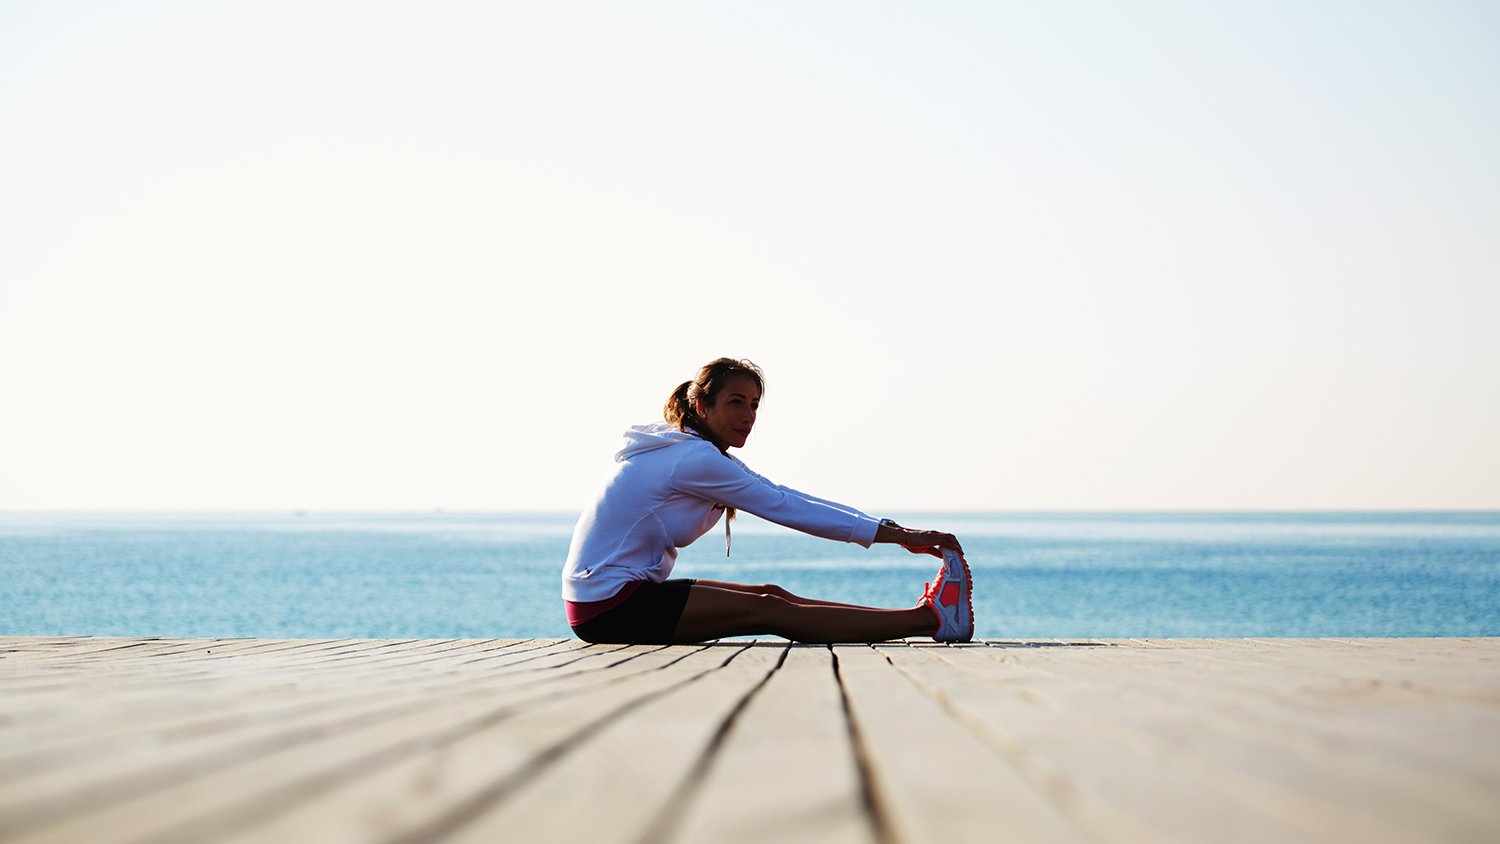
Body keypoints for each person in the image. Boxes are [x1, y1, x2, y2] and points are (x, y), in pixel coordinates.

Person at [561, 357, 974, 645]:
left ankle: (930, 616)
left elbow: (785, 496)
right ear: (702, 406)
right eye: (735, 402)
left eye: (754, 405)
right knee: (772, 610)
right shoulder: (691, 458)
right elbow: (785, 506)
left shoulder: (690, 452)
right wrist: (895, 536)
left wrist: (891, 530)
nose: (748, 416)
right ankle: (930, 620)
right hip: (610, 605)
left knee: (772, 594)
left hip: (609, 599)